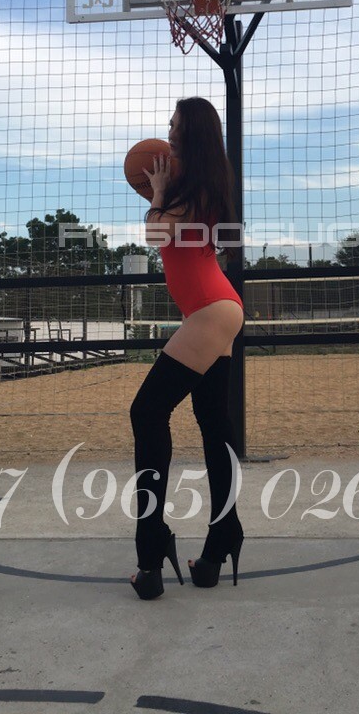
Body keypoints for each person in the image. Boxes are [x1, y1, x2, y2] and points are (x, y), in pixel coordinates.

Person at [129, 97, 245, 600]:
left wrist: (156, 192)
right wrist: (161, 188)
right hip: (216, 308)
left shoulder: (192, 188)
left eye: (174, 125)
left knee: (146, 412)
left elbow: (156, 234)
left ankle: (151, 551)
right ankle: (222, 540)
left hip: (210, 311)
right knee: (214, 424)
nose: (169, 131)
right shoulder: (201, 184)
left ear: (190, 131)